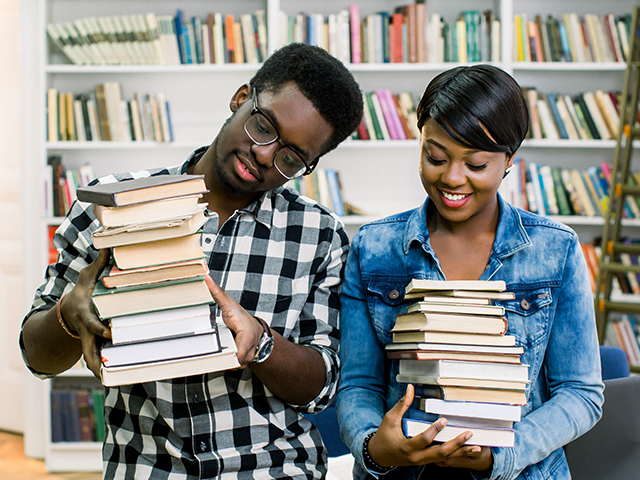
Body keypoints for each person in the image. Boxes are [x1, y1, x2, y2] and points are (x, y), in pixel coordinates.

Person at [20, 43, 363, 479]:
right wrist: (68, 316)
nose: (264, 154)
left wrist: (261, 344)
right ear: (241, 98)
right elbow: (36, 357)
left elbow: (322, 387)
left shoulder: (320, 236)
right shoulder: (111, 207)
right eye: (263, 126)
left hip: (274, 470)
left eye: (291, 157)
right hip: (145, 468)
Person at [335, 64, 605, 480]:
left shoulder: (557, 250)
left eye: (476, 164)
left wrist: (504, 454)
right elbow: (358, 385)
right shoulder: (373, 248)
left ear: (510, 160)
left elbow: (581, 393)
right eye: (435, 157)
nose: (452, 178)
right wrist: (374, 447)